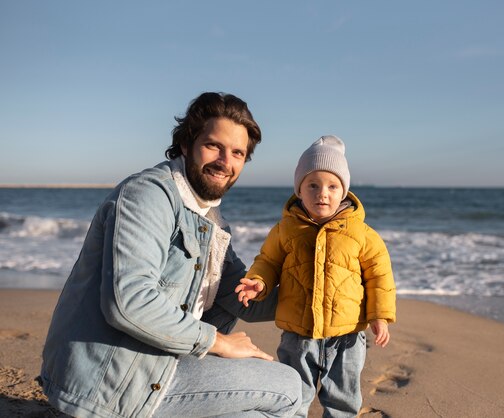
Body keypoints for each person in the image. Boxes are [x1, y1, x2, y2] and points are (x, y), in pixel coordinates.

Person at [39, 92, 302, 418]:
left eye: (237, 153)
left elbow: (242, 297)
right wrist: (219, 342)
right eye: (213, 146)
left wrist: (323, 299)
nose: (225, 161)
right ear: (185, 144)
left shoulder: (210, 220)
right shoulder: (148, 195)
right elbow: (128, 302)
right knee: (290, 388)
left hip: (156, 362)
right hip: (112, 382)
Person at [236, 135, 396, 417]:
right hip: (298, 334)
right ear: (299, 190)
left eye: (333, 186)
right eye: (313, 185)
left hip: (347, 335)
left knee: (343, 399)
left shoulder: (361, 233)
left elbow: (379, 276)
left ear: (344, 192)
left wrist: (379, 315)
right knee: (294, 394)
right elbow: (268, 261)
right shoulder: (286, 229)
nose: (323, 193)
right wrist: (258, 282)